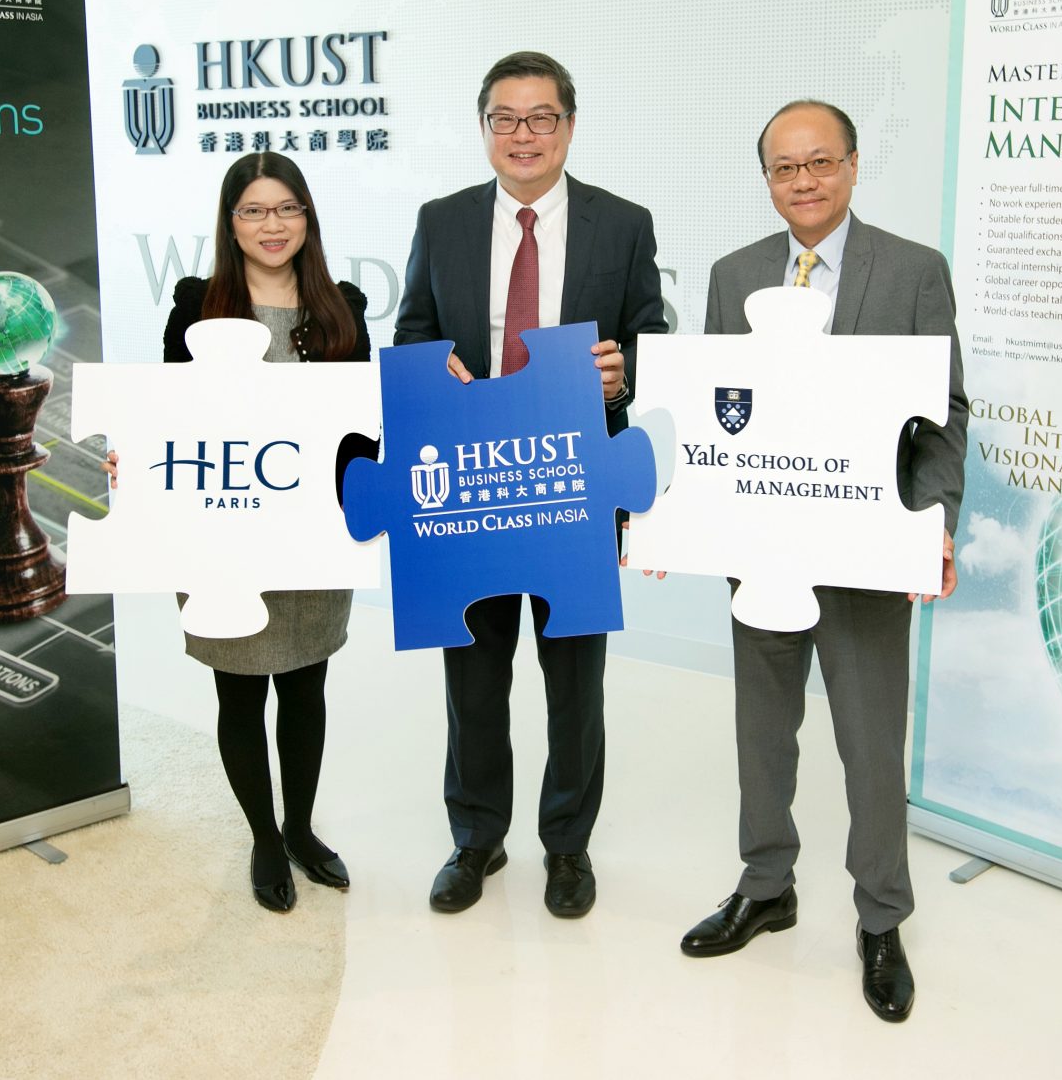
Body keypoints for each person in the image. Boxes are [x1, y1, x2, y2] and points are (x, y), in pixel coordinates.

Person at [677, 100, 967, 1023]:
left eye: (819, 163)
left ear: (850, 167)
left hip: (868, 551)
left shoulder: (914, 270)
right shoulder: (734, 276)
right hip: (761, 550)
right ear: (766, 178)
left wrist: (937, 523)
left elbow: (944, 412)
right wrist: (674, 519)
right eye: (782, 168)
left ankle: (881, 919)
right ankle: (767, 887)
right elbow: (709, 410)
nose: (802, 182)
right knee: (762, 732)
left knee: (871, 746)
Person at [395, 50, 667, 918]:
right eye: (505, 118)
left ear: (569, 127)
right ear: (483, 130)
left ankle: (567, 847)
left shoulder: (621, 224)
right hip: (469, 493)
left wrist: (625, 374)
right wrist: (431, 364)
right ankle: (475, 839)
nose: (524, 134)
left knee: (572, 680)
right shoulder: (440, 222)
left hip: (575, 488)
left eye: (541, 117)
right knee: (472, 675)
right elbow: (411, 333)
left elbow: (652, 338)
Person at [105, 151, 370, 914]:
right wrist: (135, 466)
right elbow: (166, 421)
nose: (272, 225)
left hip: (315, 534)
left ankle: (302, 828)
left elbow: (364, 434)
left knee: (307, 686)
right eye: (254, 211)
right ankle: (263, 836)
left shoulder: (341, 306)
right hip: (220, 537)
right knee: (241, 691)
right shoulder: (197, 308)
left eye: (286, 209)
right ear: (231, 224)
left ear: (307, 216)